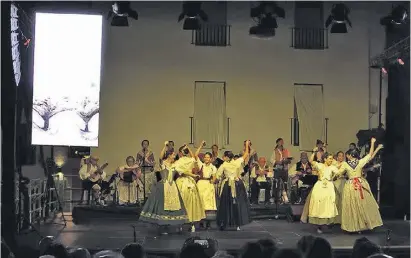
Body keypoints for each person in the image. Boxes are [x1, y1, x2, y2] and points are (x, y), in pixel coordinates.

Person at [139, 143, 188, 233]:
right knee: (162, 205)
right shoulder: (164, 163)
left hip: (172, 186)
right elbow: (161, 158)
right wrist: (164, 147)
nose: (174, 156)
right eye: (173, 154)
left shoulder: (175, 164)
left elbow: (183, 169)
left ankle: (173, 223)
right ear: (169, 155)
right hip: (163, 186)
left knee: (174, 205)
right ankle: (162, 224)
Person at [337, 138, 383, 233]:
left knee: (352, 205)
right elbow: (370, 155)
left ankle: (354, 226)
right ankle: (364, 224)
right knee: (362, 204)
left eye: (347, 155)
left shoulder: (345, 164)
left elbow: (339, 173)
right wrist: (372, 143)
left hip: (350, 185)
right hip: (360, 183)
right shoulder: (360, 162)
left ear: (350, 155)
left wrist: (335, 172)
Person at [216, 140, 251, 231]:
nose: (223, 158)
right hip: (237, 184)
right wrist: (247, 145)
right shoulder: (237, 162)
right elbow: (246, 153)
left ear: (227, 157)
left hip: (229, 185)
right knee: (237, 203)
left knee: (225, 204)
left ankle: (224, 223)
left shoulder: (224, 165)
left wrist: (214, 181)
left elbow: (217, 175)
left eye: (224, 156)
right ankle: (237, 224)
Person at [300, 151, 339, 234]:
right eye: (329, 159)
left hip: (329, 186)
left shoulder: (333, 167)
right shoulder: (320, 165)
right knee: (318, 204)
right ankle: (318, 225)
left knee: (328, 204)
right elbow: (310, 161)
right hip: (320, 185)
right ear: (325, 159)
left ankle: (327, 224)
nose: (331, 160)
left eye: (332, 159)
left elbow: (339, 173)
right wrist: (314, 152)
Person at [174, 144, 206, 232]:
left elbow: (180, 172)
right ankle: (192, 224)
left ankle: (180, 224)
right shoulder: (191, 160)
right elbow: (197, 165)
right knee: (192, 203)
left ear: (180, 153)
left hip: (181, 182)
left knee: (182, 203)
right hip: (190, 181)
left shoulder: (178, 162)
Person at [195, 141, 218, 228]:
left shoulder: (213, 167)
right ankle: (201, 220)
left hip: (208, 184)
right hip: (201, 184)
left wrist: (213, 181)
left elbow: (214, 176)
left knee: (208, 203)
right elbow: (196, 155)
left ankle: (208, 221)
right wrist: (201, 145)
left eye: (208, 157)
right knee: (201, 202)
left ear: (211, 159)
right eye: (205, 157)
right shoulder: (202, 165)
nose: (206, 159)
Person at [270, 138, 291, 204]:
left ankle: (285, 198)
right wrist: (277, 162)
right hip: (278, 169)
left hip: (284, 169)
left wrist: (287, 160)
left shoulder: (286, 150)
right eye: (280, 142)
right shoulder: (275, 151)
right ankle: (275, 197)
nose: (282, 143)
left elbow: (289, 159)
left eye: (282, 142)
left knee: (285, 183)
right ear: (277, 143)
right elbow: (271, 159)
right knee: (276, 183)